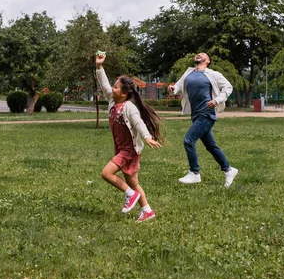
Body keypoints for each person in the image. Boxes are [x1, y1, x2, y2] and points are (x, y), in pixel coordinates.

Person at [96, 52, 163, 222]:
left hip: (129, 150)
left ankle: (130, 195)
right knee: (133, 182)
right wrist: (99, 67)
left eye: (116, 87)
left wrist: (147, 137)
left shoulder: (128, 107)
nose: (113, 88)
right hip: (122, 148)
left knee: (106, 173)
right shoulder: (113, 101)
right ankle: (147, 210)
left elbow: (139, 123)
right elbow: (104, 85)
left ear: (124, 93)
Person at [168, 53, 239, 187]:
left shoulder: (213, 74)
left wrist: (217, 100)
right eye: (197, 54)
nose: (198, 54)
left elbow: (228, 87)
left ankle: (194, 173)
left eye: (202, 55)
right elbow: (178, 87)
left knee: (188, 140)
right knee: (211, 146)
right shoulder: (188, 73)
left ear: (208, 61)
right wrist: (172, 89)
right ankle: (228, 170)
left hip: (206, 114)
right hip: (195, 114)